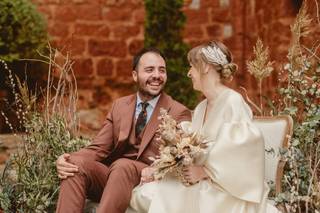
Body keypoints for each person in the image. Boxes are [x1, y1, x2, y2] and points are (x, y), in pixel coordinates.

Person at [127, 41, 280, 213]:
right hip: (200, 182)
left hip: (225, 191)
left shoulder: (233, 102)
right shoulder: (201, 108)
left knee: (154, 198)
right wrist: (162, 167)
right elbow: (194, 150)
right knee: (143, 193)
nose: (189, 73)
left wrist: (204, 172)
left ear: (205, 67)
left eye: (192, 66)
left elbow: (244, 153)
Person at [55, 47, 191, 213]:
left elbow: (182, 158)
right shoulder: (120, 106)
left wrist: (156, 170)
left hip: (146, 177)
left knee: (123, 165)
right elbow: (99, 147)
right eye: (149, 70)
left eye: (161, 70)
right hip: (114, 178)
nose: (157, 75)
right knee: (74, 165)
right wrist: (67, 158)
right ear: (135, 75)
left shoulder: (178, 111)